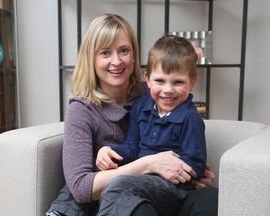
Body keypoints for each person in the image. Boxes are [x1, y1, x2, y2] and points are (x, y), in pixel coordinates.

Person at [46, 13, 218, 216]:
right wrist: (148, 163)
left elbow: (191, 158)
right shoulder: (81, 110)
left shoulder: (154, 93)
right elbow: (81, 188)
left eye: (124, 50)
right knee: (131, 204)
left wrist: (192, 174)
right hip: (120, 195)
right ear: (91, 58)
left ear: (134, 55)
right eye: (105, 53)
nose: (116, 61)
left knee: (211, 198)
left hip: (167, 189)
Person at [96, 35, 206, 216]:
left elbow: (196, 164)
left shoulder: (190, 118)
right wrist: (109, 151)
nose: (168, 89)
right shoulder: (141, 107)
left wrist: (168, 167)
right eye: (160, 81)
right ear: (147, 79)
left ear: (192, 82)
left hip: (173, 187)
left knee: (118, 186)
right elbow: (132, 147)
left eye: (178, 82)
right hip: (142, 183)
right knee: (121, 192)